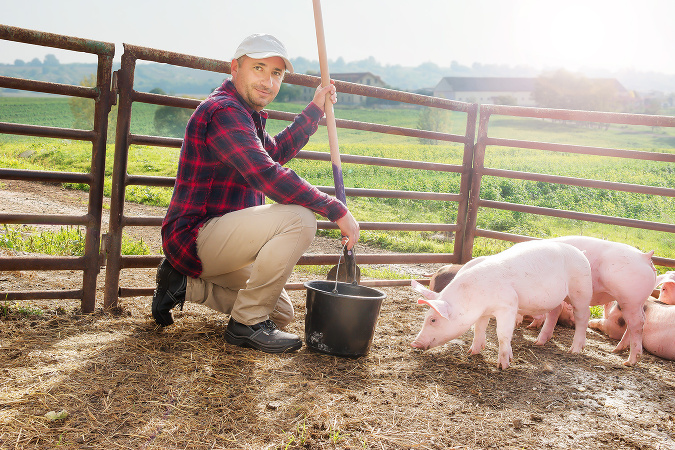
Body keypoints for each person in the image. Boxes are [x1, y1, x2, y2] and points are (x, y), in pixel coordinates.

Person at [152, 33, 360, 354]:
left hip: (226, 243)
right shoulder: (223, 112)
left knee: (280, 313)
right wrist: (335, 210)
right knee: (300, 219)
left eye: (276, 73)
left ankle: (184, 285)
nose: (268, 81)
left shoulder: (245, 113)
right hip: (196, 236)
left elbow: (272, 152)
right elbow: (265, 173)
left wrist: (315, 109)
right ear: (235, 68)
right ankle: (245, 325)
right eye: (259, 68)